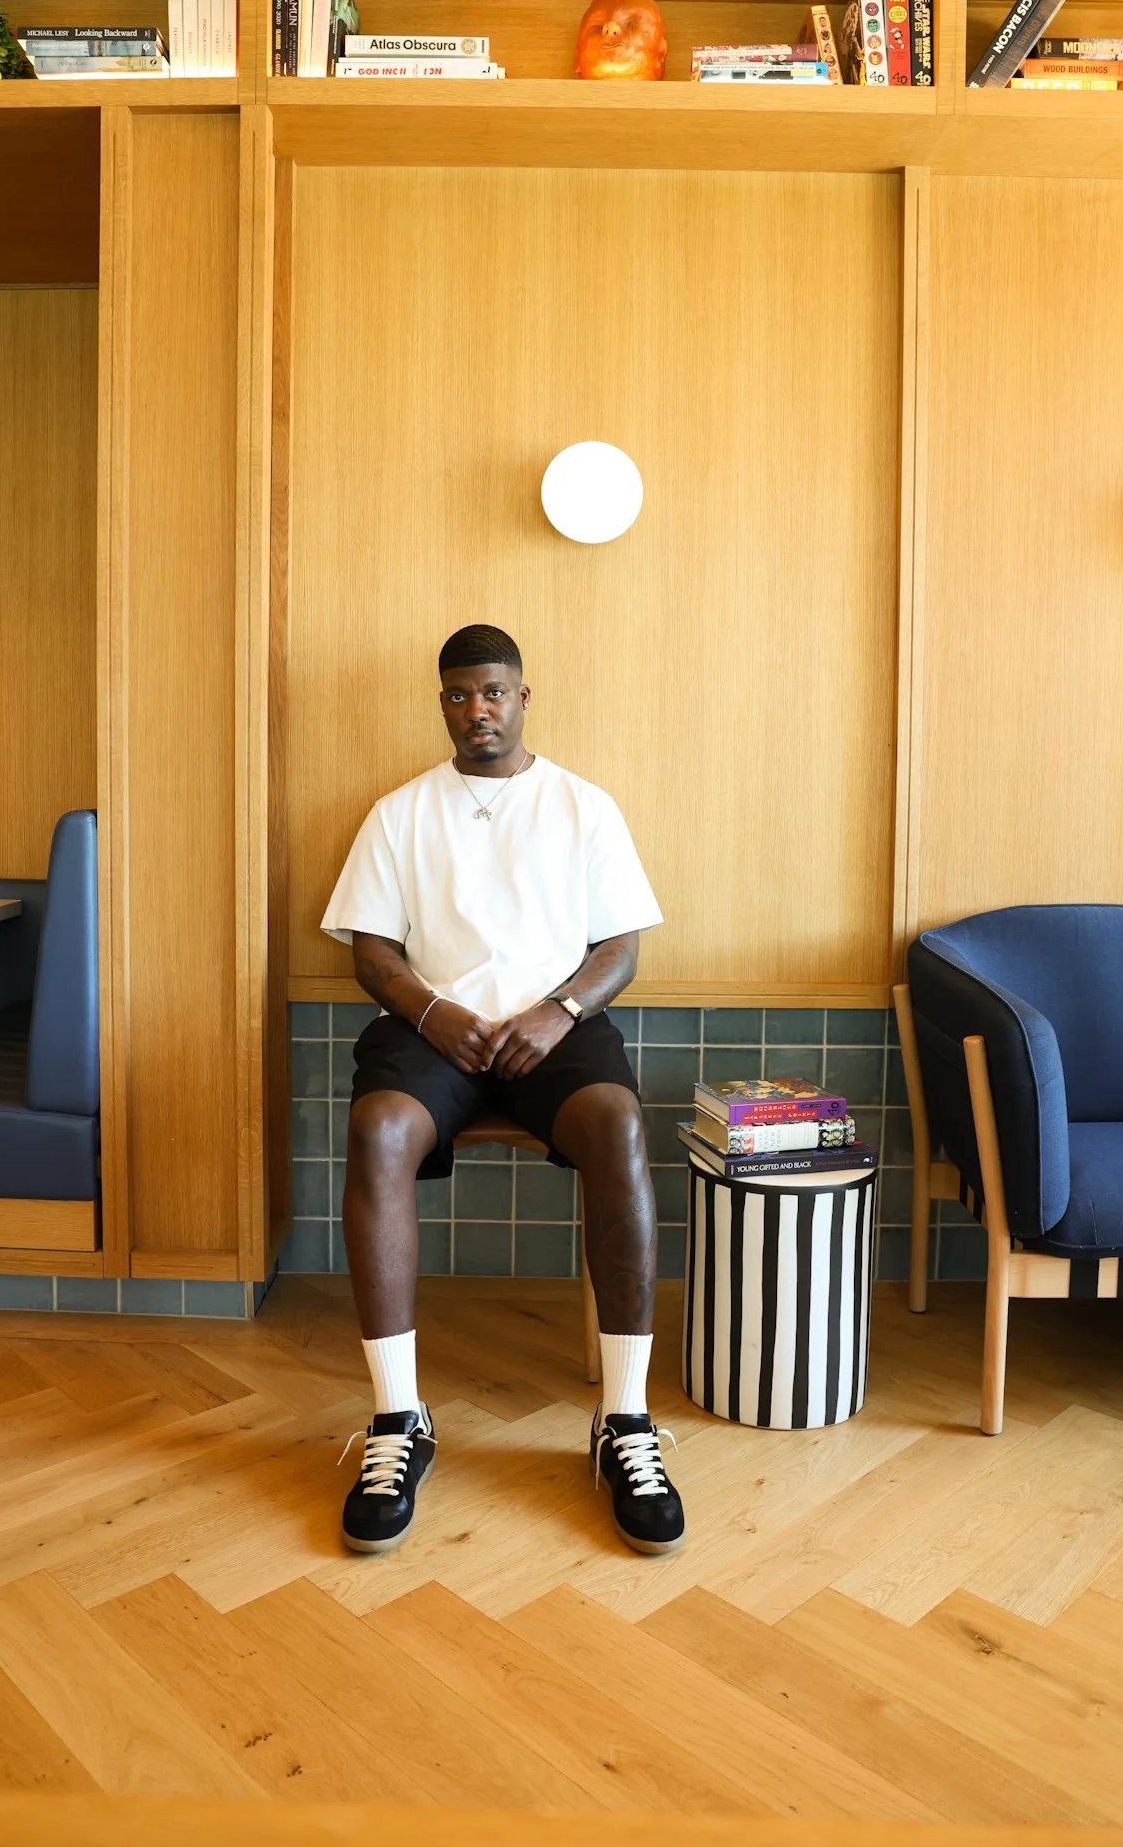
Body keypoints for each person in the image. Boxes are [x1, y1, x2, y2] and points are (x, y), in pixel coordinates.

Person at [321, 623, 684, 1558]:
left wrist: (558, 1011)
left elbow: (620, 948)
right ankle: (398, 1421)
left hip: (553, 1033)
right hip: (433, 1034)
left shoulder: (582, 806)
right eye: (456, 694)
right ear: (440, 702)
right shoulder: (399, 812)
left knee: (616, 1124)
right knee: (376, 1131)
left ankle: (624, 1422)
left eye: (491, 692)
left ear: (523, 697)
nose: (474, 709)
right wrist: (432, 1012)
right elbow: (370, 949)